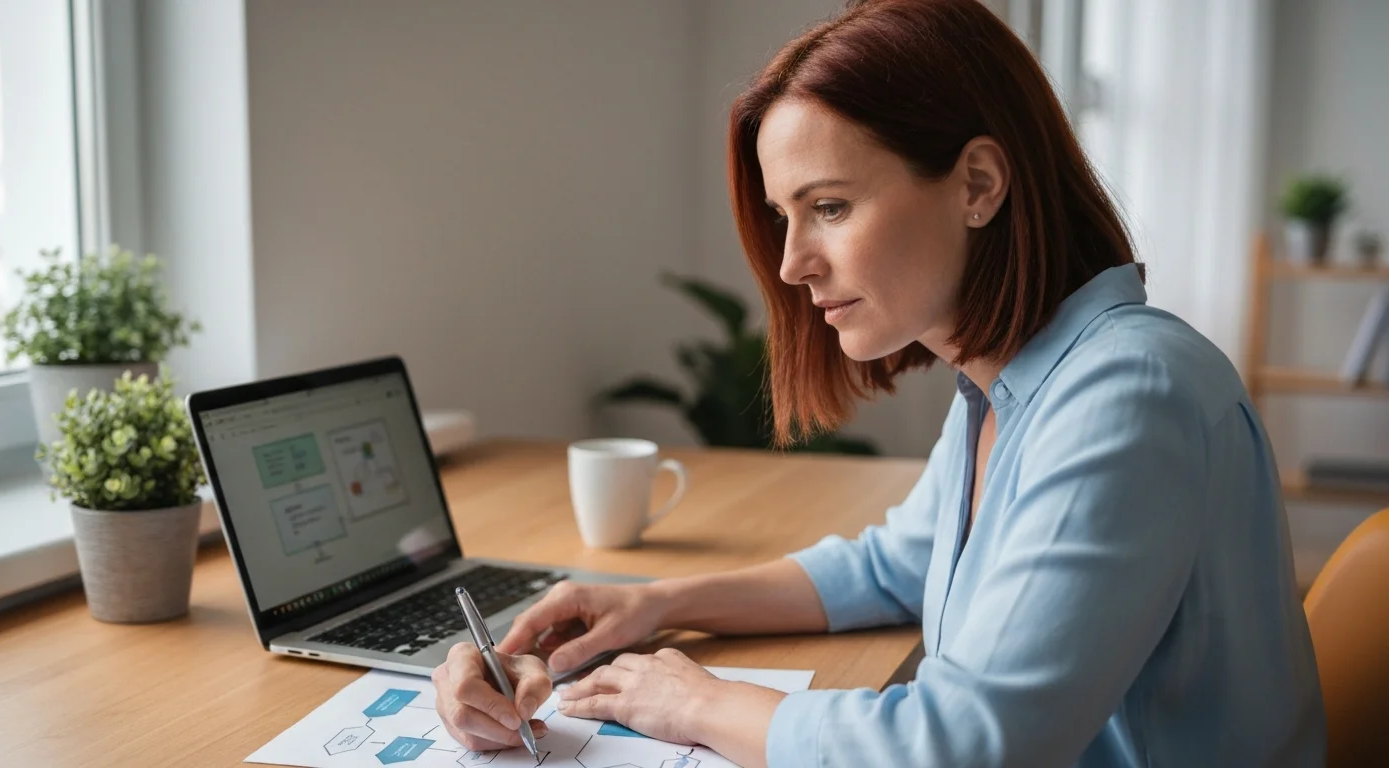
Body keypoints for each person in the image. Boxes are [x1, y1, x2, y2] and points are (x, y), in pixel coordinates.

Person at [431, 0, 1326, 765]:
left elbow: (967, 746)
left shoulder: (1128, 395)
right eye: (785, 216)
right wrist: (653, 606)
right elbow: (894, 566)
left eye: (829, 206)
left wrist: (698, 703)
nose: (791, 263)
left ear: (978, 184)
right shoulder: (1007, 387)